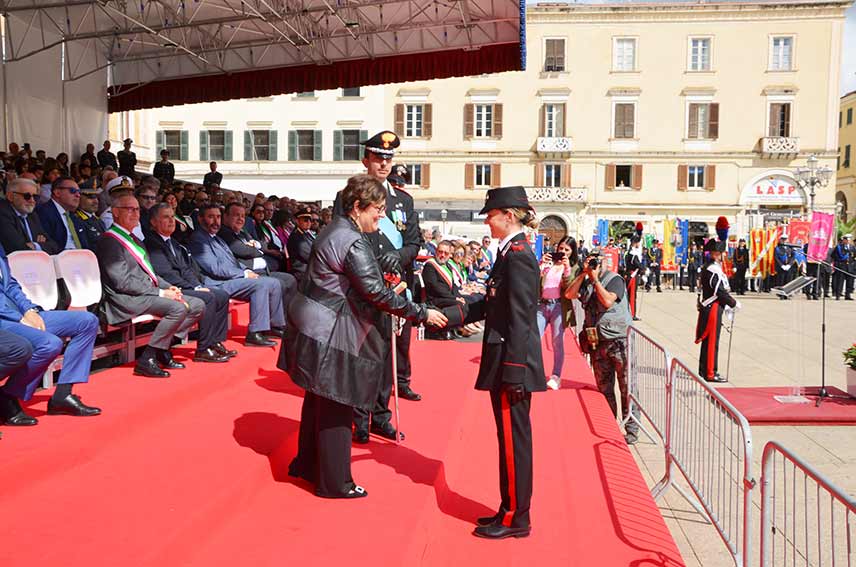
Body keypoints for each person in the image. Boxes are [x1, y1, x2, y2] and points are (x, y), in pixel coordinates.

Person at [280, 174, 447, 499]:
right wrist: (421, 312)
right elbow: (374, 292)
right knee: (336, 401)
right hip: (329, 330)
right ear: (358, 207)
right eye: (378, 209)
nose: (382, 216)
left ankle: (307, 465)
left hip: (313, 323)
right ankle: (335, 482)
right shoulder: (352, 240)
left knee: (317, 399)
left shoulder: (337, 230)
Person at [465, 186, 545, 540]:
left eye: (491, 214)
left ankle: (517, 517)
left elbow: (521, 318)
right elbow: (493, 303)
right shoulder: (509, 253)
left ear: (508, 216)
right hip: (505, 361)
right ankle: (508, 505)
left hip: (512, 365)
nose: (486, 220)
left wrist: (514, 371)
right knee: (507, 440)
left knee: (514, 442)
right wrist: (450, 313)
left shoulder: (519, 256)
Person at [333, 131, 424, 436]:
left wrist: (397, 257)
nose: (384, 164)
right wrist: (372, 265)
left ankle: (381, 416)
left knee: (387, 354)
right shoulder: (348, 197)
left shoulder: (403, 200)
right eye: (378, 158)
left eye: (388, 158)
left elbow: (415, 241)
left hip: (394, 284)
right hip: (363, 286)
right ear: (366, 161)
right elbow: (344, 238)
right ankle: (358, 419)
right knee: (363, 355)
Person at [97, 191, 205, 378]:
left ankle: (163, 347)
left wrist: (167, 286)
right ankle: (147, 358)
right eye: (129, 209)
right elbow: (121, 282)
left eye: (137, 209)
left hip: (143, 294)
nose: (135, 213)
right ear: (115, 212)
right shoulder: (109, 241)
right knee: (177, 309)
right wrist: (160, 293)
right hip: (124, 299)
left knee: (197, 305)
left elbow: (150, 273)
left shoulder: (135, 239)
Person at [0, 243, 101, 425]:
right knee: (49, 343)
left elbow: (11, 285)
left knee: (87, 321)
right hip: (4, 320)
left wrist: (29, 310)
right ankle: (8, 396)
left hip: (20, 313)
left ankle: (62, 395)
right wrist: (19, 317)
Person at [144, 204, 234, 363]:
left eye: (172, 217)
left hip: (185, 286)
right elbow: (166, 274)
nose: (172, 221)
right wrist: (194, 288)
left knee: (221, 295)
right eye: (166, 217)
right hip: (170, 288)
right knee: (209, 298)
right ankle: (204, 348)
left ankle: (214, 341)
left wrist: (198, 286)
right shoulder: (152, 243)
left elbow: (186, 269)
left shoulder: (174, 242)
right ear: (153, 222)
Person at [565, 246, 638, 441]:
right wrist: (583, 274)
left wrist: (596, 278)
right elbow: (569, 295)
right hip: (597, 342)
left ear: (605, 262)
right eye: (590, 261)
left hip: (619, 341)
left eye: (597, 261)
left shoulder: (615, 280)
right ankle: (610, 425)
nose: (594, 265)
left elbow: (607, 301)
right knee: (604, 387)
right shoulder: (586, 280)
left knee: (626, 386)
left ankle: (631, 429)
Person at [189, 204, 286, 347]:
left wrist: (246, 270)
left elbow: (233, 261)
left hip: (229, 278)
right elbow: (214, 268)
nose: (216, 221)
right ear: (200, 219)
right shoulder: (198, 239)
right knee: (261, 284)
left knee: (273, 282)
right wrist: (244, 274)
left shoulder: (217, 238)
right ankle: (254, 333)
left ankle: (275, 326)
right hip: (216, 283)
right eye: (211, 217)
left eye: (218, 217)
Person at [538, 236, 579, 391]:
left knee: (557, 341)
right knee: (534, 337)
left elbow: (569, 287)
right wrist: (541, 266)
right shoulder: (549, 263)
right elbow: (538, 283)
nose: (562, 252)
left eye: (566, 250)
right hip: (542, 305)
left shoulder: (573, 267)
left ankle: (556, 375)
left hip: (559, 307)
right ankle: (535, 371)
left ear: (572, 252)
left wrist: (567, 269)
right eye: (561, 248)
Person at [695, 239, 739, 383]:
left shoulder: (711, 267)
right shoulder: (712, 269)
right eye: (720, 253)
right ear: (715, 254)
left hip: (713, 306)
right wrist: (732, 303)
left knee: (709, 342)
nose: (722, 256)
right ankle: (710, 372)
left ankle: (704, 370)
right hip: (713, 307)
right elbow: (718, 290)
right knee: (712, 341)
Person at [0, 178, 60, 254]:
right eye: (27, 196)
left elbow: (53, 246)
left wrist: (35, 245)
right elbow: (16, 248)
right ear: (10, 196)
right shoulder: (2, 213)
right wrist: (40, 245)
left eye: (35, 197)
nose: (32, 201)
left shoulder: (32, 215)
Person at [35, 176, 87, 251]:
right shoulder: (43, 212)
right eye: (72, 190)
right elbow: (48, 244)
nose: (78, 195)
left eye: (79, 192)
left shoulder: (73, 216)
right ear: (57, 193)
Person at [286, 207, 315, 282]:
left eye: (310, 220)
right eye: (305, 220)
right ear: (297, 221)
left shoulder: (307, 234)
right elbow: (309, 256)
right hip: (301, 270)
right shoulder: (296, 237)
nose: (309, 222)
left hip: (310, 268)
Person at [624, 236, 643, 320]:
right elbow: (637, 264)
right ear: (635, 243)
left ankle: (628, 313)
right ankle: (632, 314)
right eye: (638, 242)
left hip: (628, 274)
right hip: (632, 275)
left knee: (628, 295)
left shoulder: (628, 252)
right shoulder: (633, 253)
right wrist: (644, 270)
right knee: (632, 296)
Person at [831, 234, 853, 300]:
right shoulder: (839, 247)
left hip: (850, 267)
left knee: (849, 282)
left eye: (849, 240)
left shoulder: (852, 247)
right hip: (841, 266)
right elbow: (833, 255)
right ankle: (838, 295)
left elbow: (853, 256)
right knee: (840, 281)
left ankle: (847, 295)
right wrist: (838, 261)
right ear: (843, 240)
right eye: (846, 240)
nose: (847, 241)